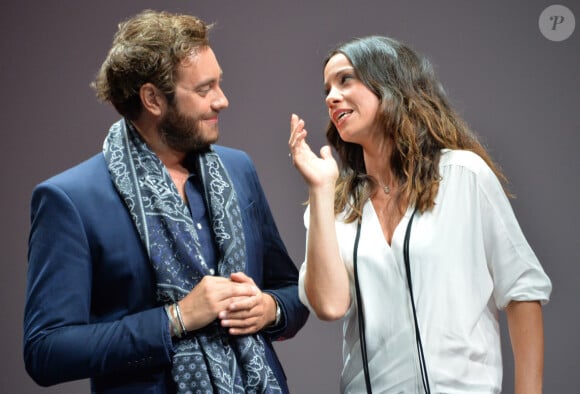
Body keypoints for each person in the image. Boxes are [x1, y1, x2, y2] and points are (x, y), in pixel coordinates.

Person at [24, 9, 308, 393]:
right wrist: (175, 319)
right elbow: (46, 350)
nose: (222, 100)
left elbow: (292, 289)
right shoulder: (70, 200)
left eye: (219, 84)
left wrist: (270, 309)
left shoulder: (238, 170)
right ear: (153, 99)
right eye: (205, 89)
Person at [289, 35, 551, 393]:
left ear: (391, 84)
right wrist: (319, 190)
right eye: (327, 89)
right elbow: (330, 306)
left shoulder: (462, 175)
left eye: (346, 79)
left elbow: (522, 290)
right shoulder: (336, 204)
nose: (331, 97)